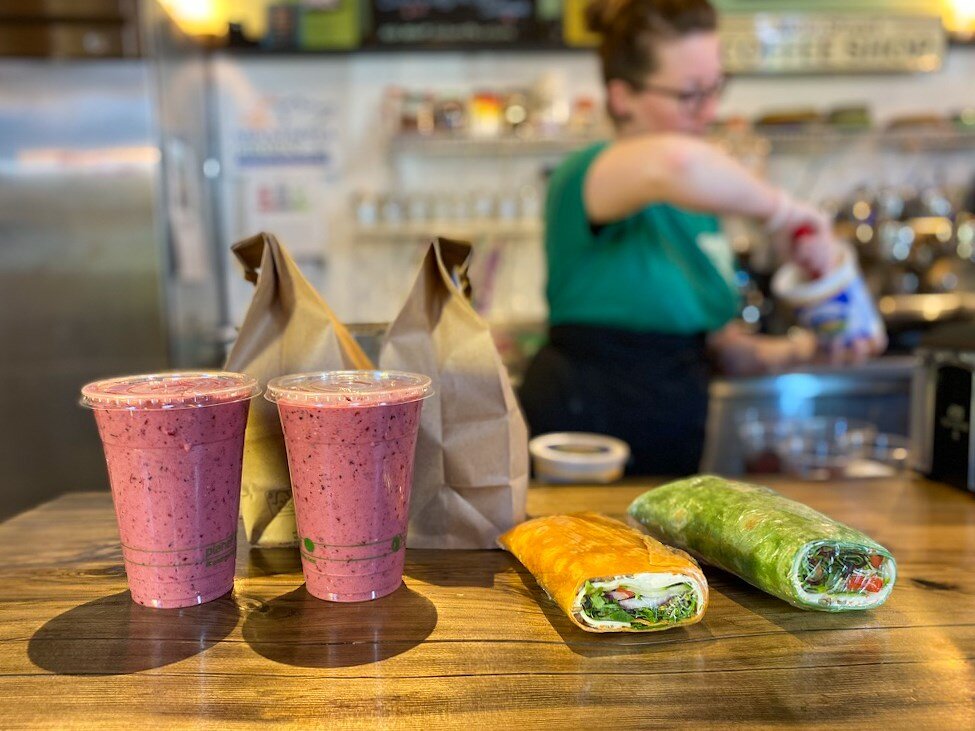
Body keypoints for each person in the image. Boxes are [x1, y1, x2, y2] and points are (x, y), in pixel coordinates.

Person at [518, 0, 882, 476]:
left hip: (674, 430)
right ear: (622, 96)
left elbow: (721, 347)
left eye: (716, 88)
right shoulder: (584, 176)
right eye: (691, 94)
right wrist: (788, 215)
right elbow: (675, 164)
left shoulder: (698, 211)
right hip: (586, 427)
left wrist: (813, 350)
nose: (710, 110)